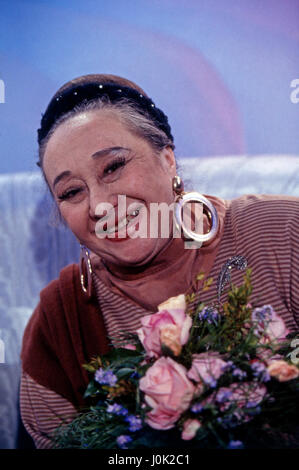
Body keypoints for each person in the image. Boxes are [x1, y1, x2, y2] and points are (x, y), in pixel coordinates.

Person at [20, 74, 299, 449]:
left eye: (113, 166)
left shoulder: (282, 234)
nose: (101, 204)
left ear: (168, 160)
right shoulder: (61, 321)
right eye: (71, 191)